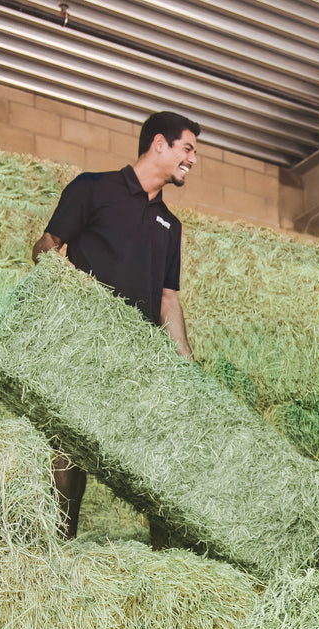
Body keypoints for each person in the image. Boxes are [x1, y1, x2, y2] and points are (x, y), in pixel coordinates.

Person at [31, 110, 201, 540]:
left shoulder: (170, 224)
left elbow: (168, 300)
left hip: (136, 356)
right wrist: (75, 300)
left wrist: (187, 364)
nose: (193, 160)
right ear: (159, 143)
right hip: (84, 341)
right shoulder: (94, 188)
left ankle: (168, 559)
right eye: (188, 148)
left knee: (153, 449)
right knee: (70, 441)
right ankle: (60, 543)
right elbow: (46, 247)